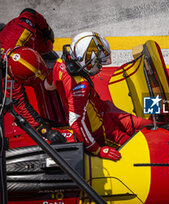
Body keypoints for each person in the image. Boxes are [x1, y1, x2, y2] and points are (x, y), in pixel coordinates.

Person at [44, 32, 151, 161]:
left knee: (147, 125)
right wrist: (97, 150)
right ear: (86, 60)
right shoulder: (80, 86)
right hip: (101, 131)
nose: (100, 66)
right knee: (139, 147)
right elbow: (76, 122)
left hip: (104, 111)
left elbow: (48, 85)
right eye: (98, 62)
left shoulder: (60, 63)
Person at [0, 8, 65, 144]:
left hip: (11, 36)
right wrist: (43, 129)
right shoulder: (9, 81)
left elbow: (30, 12)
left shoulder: (24, 28)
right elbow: (21, 106)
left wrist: (46, 29)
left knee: (48, 46)